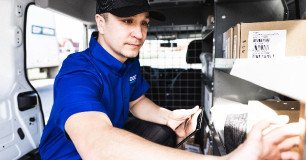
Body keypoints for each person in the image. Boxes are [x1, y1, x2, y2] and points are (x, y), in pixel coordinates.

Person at [39, 0, 302, 159]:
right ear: (101, 22)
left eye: (144, 23)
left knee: (164, 131)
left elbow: (136, 100)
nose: (139, 33)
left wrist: (168, 117)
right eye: (127, 21)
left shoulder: (128, 60)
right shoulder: (77, 72)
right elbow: (97, 146)